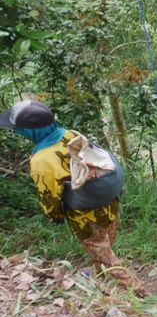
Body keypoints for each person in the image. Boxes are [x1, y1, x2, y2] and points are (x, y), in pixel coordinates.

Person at [0, 99, 145, 296]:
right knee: (104, 244)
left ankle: (139, 293)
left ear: (29, 130)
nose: (17, 132)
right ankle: (99, 281)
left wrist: (55, 216)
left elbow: (49, 196)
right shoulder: (71, 134)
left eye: (19, 129)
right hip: (109, 199)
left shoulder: (42, 159)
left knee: (103, 254)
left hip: (84, 214)